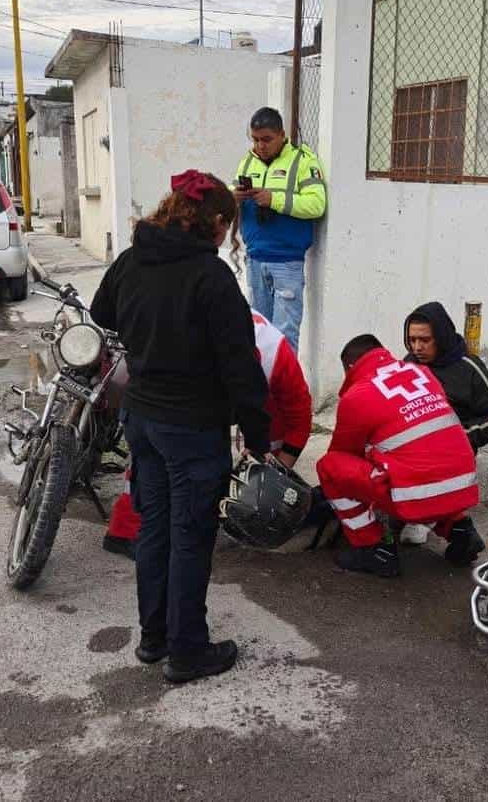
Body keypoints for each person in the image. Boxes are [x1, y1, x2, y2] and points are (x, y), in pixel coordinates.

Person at [89, 169, 272, 684]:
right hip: (191, 428)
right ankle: (188, 650)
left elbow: (102, 313)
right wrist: (259, 437)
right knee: (190, 537)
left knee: (156, 529)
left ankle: (155, 638)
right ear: (215, 222)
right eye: (226, 225)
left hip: (143, 418)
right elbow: (241, 367)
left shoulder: (131, 259)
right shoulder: (210, 279)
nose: (225, 235)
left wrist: (151, 340)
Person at [104, 307, 313, 558]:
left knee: (266, 450)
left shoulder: (277, 357)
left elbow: (299, 417)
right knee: (159, 449)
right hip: (184, 389)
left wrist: (273, 474)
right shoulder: (186, 341)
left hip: (229, 385)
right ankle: (126, 529)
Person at [315, 335, 484, 578]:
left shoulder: (358, 395)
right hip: (463, 485)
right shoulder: (423, 373)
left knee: (330, 467)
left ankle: (372, 549)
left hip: (417, 494)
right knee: (422, 462)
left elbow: (342, 454)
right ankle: (460, 530)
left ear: (351, 367)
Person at [399, 301, 488, 545]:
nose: (417, 347)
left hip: (453, 453)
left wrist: (461, 437)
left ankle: (440, 522)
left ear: (441, 336)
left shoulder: (468, 368)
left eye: (424, 340)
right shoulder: (409, 363)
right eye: (412, 339)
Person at [233, 107, 326, 351]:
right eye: (255, 139)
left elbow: (317, 204)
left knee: (284, 339)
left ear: (282, 135)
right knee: (258, 334)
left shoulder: (303, 160)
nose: (260, 146)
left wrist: (274, 200)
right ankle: (263, 389)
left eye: (266, 139)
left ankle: (283, 390)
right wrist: (235, 197)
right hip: (254, 259)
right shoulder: (247, 161)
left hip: (286, 262)